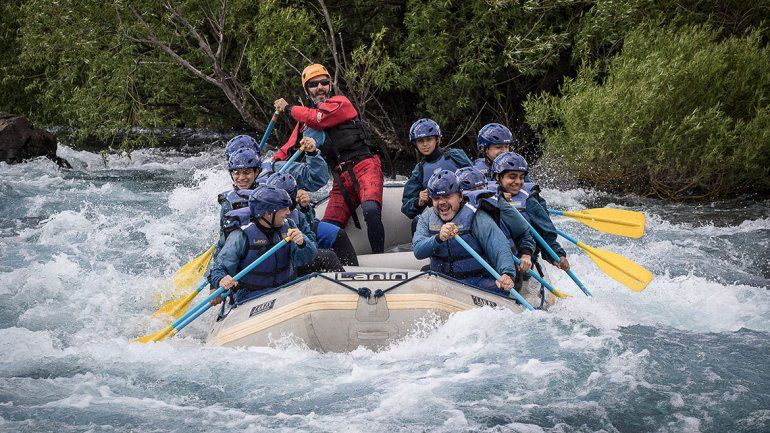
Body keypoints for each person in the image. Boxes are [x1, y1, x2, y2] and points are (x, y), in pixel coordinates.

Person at [274, 63, 385, 253]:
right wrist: (271, 165)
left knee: (371, 210)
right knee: (327, 227)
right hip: (340, 178)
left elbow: (319, 117)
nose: (319, 88)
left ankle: (379, 258)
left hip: (365, 166)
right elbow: (289, 147)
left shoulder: (341, 103)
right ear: (307, 90)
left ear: (330, 85)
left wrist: (289, 108)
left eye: (324, 82)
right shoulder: (305, 123)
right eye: (313, 84)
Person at [208, 185, 317, 304]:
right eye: (283, 209)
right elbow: (219, 268)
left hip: (287, 287)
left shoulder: (289, 225)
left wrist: (302, 244)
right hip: (252, 296)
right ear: (269, 213)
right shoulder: (241, 235)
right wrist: (221, 279)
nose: (288, 212)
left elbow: (304, 259)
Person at [412, 170, 516, 293]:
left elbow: (499, 247)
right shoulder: (427, 216)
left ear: (460, 196)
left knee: (498, 289)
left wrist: (507, 273)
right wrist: (438, 238)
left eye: (447, 196)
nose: (442, 202)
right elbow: (418, 250)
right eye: (436, 198)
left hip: (477, 282)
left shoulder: (475, 215)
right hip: (442, 281)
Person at [491, 152, 570, 271]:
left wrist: (558, 255)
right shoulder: (487, 197)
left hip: (525, 264)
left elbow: (545, 232)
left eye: (521, 177)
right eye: (512, 177)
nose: (518, 182)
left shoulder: (529, 200)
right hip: (495, 263)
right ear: (498, 177)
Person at [456, 166, 535, 281]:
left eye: (481, 189)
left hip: (503, 275)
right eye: (473, 191)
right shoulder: (450, 213)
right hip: (470, 275)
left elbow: (524, 234)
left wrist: (526, 254)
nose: (479, 196)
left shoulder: (500, 206)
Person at [263, 172, 346, 273]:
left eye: (287, 203)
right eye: (279, 203)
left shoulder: (297, 215)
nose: (286, 210)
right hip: (273, 266)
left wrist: (302, 243)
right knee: (328, 256)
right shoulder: (259, 215)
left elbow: (311, 239)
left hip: (292, 260)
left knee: (332, 248)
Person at [401, 118, 473, 221]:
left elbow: (476, 179)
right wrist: (419, 201)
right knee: (416, 223)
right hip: (440, 216)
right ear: (415, 144)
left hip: (465, 210)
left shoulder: (455, 155)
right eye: (420, 141)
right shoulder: (420, 169)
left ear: (437, 139)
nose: (425, 144)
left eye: (429, 139)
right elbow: (407, 208)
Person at [259, 128, 330, 193]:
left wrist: (312, 153)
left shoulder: (276, 169)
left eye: (247, 172)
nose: (247, 179)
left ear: (255, 169)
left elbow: (318, 179)